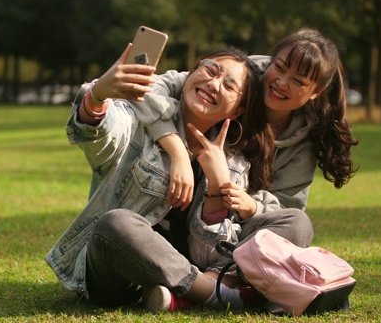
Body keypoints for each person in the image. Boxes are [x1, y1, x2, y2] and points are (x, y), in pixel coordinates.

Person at [44, 44, 292, 313]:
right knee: (116, 223)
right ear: (190, 75)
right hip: (120, 274)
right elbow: (103, 133)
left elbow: (207, 256)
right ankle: (216, 295)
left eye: (229, 85)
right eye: (210, 70)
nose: (214, 83)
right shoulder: (139, 124)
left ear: (236, 112)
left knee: (295, 222)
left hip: (192, 269)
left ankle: (185, 294)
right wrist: (97, 95)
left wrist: (218, 188)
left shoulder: (233, 161)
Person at [129, 27, 358, 288]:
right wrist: (177, 150)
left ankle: (212, 282)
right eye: (280, 68)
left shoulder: (303, 143)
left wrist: (251, 206)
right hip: (178, 209)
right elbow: (154, 87)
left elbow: (285, 212)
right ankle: (213, 289)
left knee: (298, 226)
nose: (282, 83)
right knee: (123, 226)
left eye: (298, 81)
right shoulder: (235, 78)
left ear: (315, 92)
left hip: (232, 240)